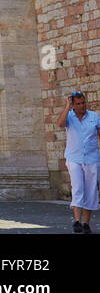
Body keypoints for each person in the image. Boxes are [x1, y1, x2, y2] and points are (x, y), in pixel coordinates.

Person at [58, 91, 100, 232]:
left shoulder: (94, 116)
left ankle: (86, 224)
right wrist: (67, 106)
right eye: (78, 104)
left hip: (92, 159)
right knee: (77, 188)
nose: (82, 106)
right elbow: (60, 124)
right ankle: (77, 221)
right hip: (74, 158)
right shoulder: (69, 116)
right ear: (73, 105)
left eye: (83, 103)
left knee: (91, 191)